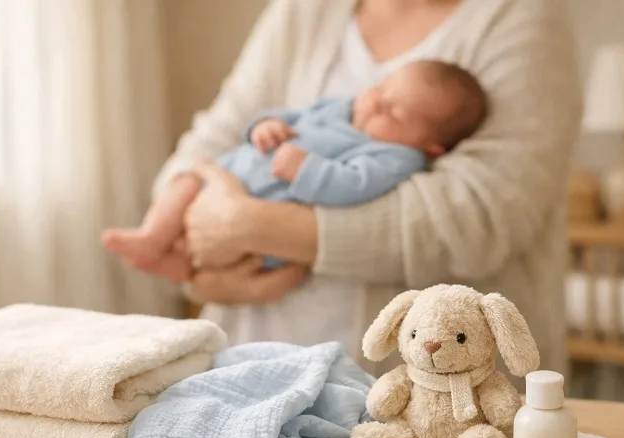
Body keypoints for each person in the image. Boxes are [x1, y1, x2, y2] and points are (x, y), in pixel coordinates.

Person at [119, 0, 583, 384]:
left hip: (432, 393)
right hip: (254, 358)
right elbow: (215, 139)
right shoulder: (307, 9)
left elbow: (480, 215)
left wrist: (253, 228)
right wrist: (201, 267)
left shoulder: (520, 19)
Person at [103, 59, 487, 282]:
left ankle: (178, 263)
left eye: (394, 112)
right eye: (380, 90)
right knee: (187, 178)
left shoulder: (395, 156)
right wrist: (265, 127)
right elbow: (291, 116)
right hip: (231, 174)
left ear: (430, 146)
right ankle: (154, 236)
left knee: (240, 259)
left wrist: (308, 169)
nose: (373, 105)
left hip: (269, 216)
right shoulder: (342, 108)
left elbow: (353, 184)